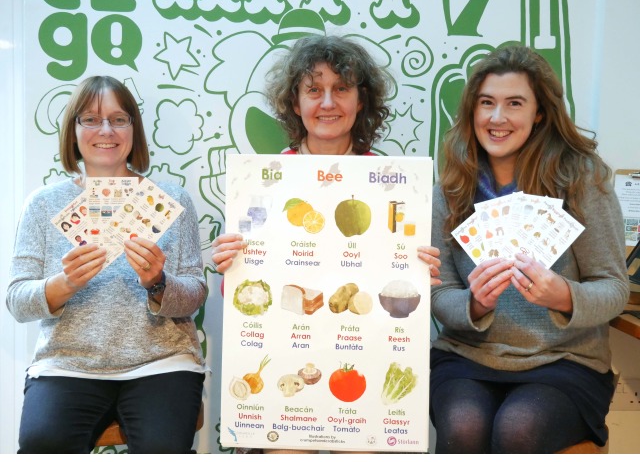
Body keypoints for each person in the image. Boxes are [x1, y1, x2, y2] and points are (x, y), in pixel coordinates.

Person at [212, 34, 441, 454]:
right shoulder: (261, 182)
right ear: (295, 103)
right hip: (284, 365)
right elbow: (243, 299)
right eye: (313, 90)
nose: (328, 103)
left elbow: (403, 297)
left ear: (361, 101)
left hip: (365, 365)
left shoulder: (396, 186)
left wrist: (421, 272)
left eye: (342, 89)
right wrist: (233, 265)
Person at [429, 44, 629, 453]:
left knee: (518, 427)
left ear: (539, 113)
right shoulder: (451, 188)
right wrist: (475, 305)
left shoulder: (581, 180)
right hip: (468, 355)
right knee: (463, 425)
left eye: (514, 103)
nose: (497, 118)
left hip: (563, 362)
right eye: (486, 103)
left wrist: (564, 296)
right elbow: (440, 293)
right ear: (472, 111)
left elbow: (614, 287)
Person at [7, 76, 207, 454]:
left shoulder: (170, 199)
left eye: (119, 119)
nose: (106, 130)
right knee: (41, 443)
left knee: (164, 446)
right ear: (73, 130)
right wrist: (62, 285)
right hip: (69, 363)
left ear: (134, 129)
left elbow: (196, 293)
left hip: (161, 362)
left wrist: (158, 283)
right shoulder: (43, 203)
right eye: (91, 119)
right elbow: (17, 300)